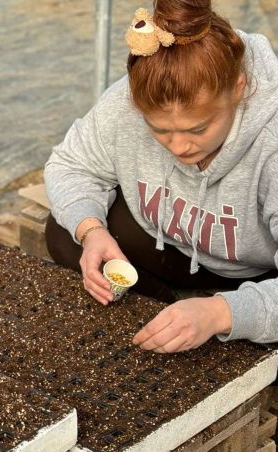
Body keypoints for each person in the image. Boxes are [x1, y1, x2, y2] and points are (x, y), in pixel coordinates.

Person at [44, 0, 278, 354]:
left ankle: (213, 319)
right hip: (176, 247)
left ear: (239, 89)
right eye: (159, 130)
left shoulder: (272, 144)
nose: (179, 147)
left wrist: (220, 312)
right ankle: (165, 310)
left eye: (197, 129)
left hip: (258, 272)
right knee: (66, 229)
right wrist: (91, 231)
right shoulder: (130, 100)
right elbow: (71, 165)